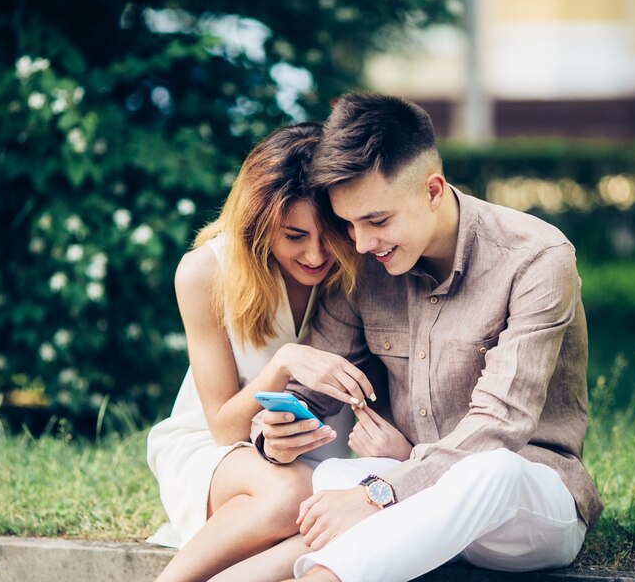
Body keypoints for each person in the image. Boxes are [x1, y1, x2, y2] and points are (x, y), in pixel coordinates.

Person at [251, 94, 604, 582]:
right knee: (329, 479)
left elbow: (499, 428)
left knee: (490, 469)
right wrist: (275, 433)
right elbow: (312, 391)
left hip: (523, 507)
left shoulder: (536, 258)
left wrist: (380, 492)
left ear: (433, 190)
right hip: (414, 493)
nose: (360, 243)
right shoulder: (364, 265)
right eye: (348, 223)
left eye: (376, 221)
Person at [146, 123, 373, 582]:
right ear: (259, 222)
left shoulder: (361, 265)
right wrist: (283, 363)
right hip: (215, 453)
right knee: (299, 495)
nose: (315, 255)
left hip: (312, 460)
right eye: (293, 236)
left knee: (330, 504)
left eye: (330, 234)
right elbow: (223, 428)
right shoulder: (205, 272)